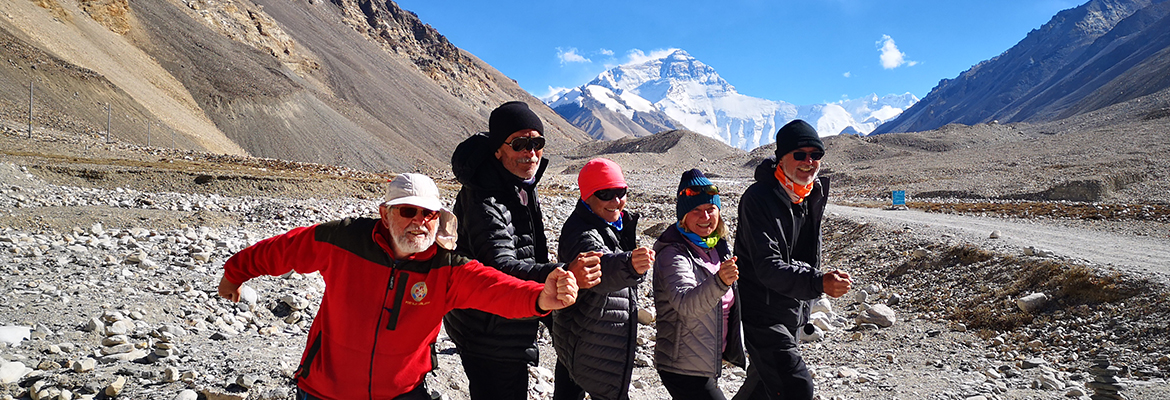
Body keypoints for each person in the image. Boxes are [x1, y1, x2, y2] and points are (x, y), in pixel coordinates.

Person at [215, 173, 580, 400]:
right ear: (385, 213)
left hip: (403, 393)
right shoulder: (344, 240)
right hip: (326, 390)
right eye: (408, 211)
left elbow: (493, 288)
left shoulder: (446, 267)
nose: (419, 223)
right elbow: (283, 249)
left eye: (428, 214)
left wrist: (540, 297)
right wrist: (235, 273)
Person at [444, 101, 603, 400]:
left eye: (537, 143)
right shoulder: (484, 197)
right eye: (520, 144)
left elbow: (528, 253)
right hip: (487, 329)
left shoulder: (519, 183)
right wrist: (563, 273)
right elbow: (500, 265)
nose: (530, 153)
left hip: (509, 315)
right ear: (498, 149)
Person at [732, 120, 852, 400]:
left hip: (792, 310)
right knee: (797, 387)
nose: (808, 162)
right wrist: (818, 282)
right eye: (800, 154)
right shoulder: (758, 198)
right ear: (781, 157)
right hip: (761, 313)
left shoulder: (811, 194)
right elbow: (767, 266)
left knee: (762, 387)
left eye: (816, 155)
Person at [552, 158, 655, 400]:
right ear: (587, 196)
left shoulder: (614, 222)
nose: (616, 201)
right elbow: (600, 267)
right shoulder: (580, 231)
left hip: (584, 330)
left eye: (621, 192)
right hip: (591, 336)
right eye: (606, 194)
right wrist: (630, 265)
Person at [653, 168, 746, 400]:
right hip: (681, 366)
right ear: (683, 216)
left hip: (704, 362)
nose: (705, 218)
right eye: (696, 210)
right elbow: (685, 303)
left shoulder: (718, 246)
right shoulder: (673, 252)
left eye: (710, 209)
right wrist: (720, 281)